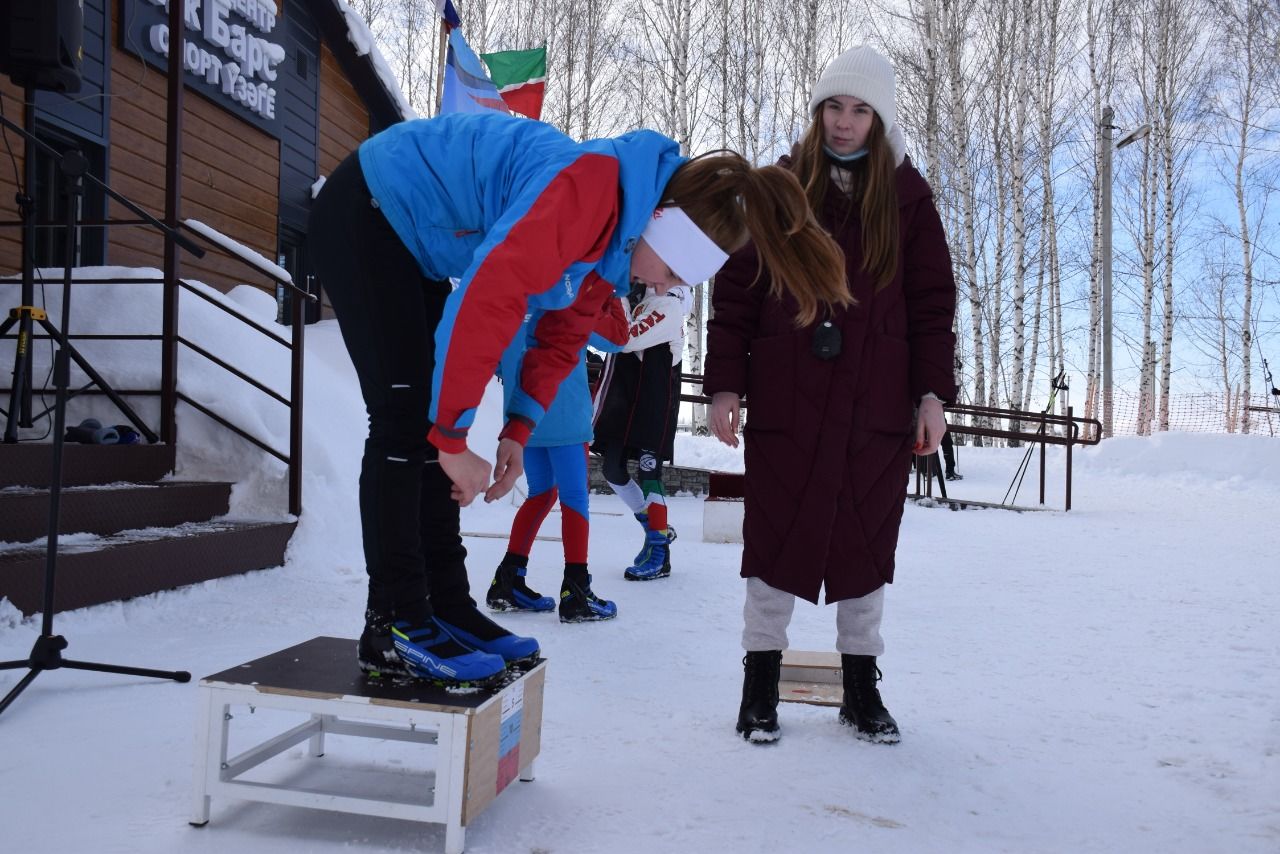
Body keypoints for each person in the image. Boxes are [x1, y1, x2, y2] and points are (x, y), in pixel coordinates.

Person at [307, 111, 847, 687]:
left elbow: (561, 336)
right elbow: (489, 298)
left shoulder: (612, 243)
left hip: (409, 240)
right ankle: (395, 623)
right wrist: (452, 437)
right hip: (368, 208)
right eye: (669, 271)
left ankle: (444, 605)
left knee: (419, 418)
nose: (663, 288)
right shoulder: (586, 190)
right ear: (660, 225)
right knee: (403, 419)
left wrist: (517, 428)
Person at [704, 45, 958, 743]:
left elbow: (933, 303)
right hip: (791, 398)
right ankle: (759, 686)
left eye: (859, 110)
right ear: (817, 114)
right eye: (833, 108)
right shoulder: (781, 187)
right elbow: (735, 293)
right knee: (774, 539)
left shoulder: (907, 198)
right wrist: (725, 381)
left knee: (867, 545)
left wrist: (933, 393)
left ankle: (860, 691)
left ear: (880, 119)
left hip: (875, 404)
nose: (844, 123)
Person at [487, 300, 629, 622]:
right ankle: (577, 591)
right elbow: (617, 338)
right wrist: (614, 296)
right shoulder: (571, 292)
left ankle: (508, 580)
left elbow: (494, 360)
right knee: (574, 498)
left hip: (524, 417)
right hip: (564, 413)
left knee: (541, 494)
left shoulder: (511, 291)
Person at [590, 282, 694, 580]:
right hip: (627, 403)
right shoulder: (641, 298)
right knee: (612, 468)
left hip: (654, 405)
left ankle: (660, 553)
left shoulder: (669, 305)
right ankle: (655, 528)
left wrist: (618, 300)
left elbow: (624, 339)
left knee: (650, 473)